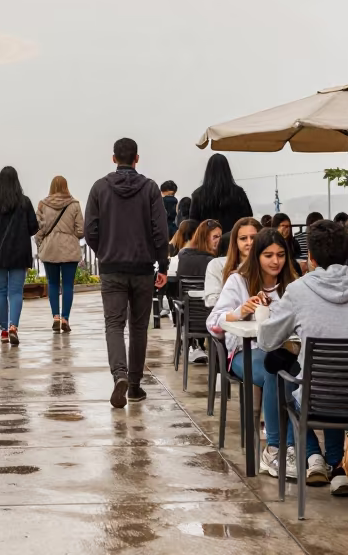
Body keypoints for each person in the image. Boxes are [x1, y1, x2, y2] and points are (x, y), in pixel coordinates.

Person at [260, 220, 348, 494]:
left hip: (317, 399)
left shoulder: (298, 290)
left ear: (311, 258)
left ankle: (313, 455)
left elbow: (267, 340)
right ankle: (338, 464)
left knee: (284, 377)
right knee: (340, 382)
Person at [85, 137, 170, 408]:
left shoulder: (99, 188)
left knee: (114, 324)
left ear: (113, 158)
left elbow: (90, 231)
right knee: (138, 327)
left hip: (112, 268)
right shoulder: (150, 189)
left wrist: (104, 252)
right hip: (143, 267)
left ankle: (118, 374)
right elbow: (160, 231)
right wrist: (163, 265)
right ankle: (134, 386)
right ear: (137, 158)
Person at [207, 228, 297, 476]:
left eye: (280, 254)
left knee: (293, 371)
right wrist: (239, 311)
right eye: (268, 255)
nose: (275, 261)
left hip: (286, 350)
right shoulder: (239, 281)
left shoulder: (292, 285)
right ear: (257, 256)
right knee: (274, 370)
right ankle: (276, 448)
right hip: (245, 352)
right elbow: (212, 322)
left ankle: (298, 448)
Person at [0, 166, 40, 345]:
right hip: (19, 252)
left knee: (1, 292)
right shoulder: (25, 202)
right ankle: (14, 325)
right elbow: (34, 227)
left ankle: (4, 330)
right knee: (15, 292)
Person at [35, 175, 85, 333]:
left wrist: (41, 244)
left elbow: (38, 230)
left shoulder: (43, 205)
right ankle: (65, 319)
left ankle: (55, 316)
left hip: (50, 248)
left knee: (53, 283)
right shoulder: (75, 205)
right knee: (68, 285)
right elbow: (81, 231)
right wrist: (71, 236)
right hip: (69, 249)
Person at [177, 218, 222, 365]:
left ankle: (193, 345)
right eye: (215, 237)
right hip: (214, 322)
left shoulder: (182, 256)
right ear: (204, 237)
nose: (219, 241)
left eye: (220, 237)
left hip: (191, 320)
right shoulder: (214, 263)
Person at [188, 153, 254, 233]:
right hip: (232, 240)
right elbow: (248, 217)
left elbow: (192, 222)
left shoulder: (198, 194)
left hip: (206, 240)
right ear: (227, 170)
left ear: (208, 171)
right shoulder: (238, 192)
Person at [205, 217, 261, 307]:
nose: (249, 242)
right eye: (243, 238)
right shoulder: (217, 265)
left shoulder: (270, 265)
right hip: (228, 320)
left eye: (253, 238)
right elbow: (212, 302)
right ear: (235, 241)